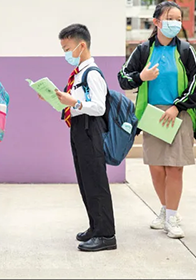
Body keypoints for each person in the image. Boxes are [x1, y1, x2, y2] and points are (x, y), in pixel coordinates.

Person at [117, 1, 196, 239]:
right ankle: (165, 209)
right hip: (152, 115)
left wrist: (178, 107)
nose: (175, 23)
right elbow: (123, 78)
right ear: (156, 22)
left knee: (174, 168)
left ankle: (173, 217)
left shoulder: (186, 50)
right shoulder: (143, 50)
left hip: (179, 115)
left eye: (178, 18)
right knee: (156, 168)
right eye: (170, 18)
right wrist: (141, 76)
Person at [52, 24, 116, 252]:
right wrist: (57, 98)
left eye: (67, 48)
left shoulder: (93, 73)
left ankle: (106, 234)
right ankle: (95, 226)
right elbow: (77, 103)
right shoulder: (79, 73)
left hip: (91, 129)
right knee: (85, 180)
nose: (66, 54)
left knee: (96, 182)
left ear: (81, 45)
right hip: (79, 128)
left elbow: (99, 107)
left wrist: (74, 103)